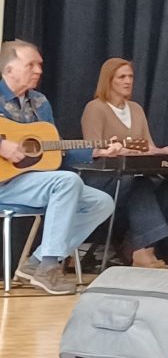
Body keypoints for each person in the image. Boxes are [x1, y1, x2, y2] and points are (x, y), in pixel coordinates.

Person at [0, 40, 115, 295]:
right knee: (67, 182)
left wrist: (96, 151)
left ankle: (37, 263)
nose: (38, 70)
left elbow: (54, 151)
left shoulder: (40, 102)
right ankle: (50, 267)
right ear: (9, 70)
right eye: (30, 64)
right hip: (4, 185)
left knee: (102, 202)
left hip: (31, 182)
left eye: (39, 65)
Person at [80, 58, 168, 268]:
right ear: (109, 80)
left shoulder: (136, 109)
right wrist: (121, 151)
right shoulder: (95, 108)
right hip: (102, 179)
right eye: (122, 77)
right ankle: (143, 252)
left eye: (130, 76)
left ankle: (139, 246)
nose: (128, 81)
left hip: (130, 177)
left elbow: (148, 147)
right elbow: (93, 149)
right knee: (138, 184)